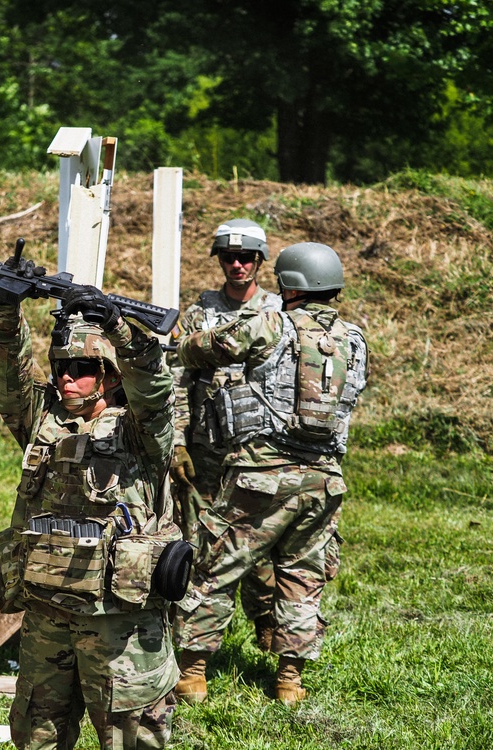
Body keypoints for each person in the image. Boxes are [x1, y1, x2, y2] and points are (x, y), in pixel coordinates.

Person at [0, 272, 185, 749]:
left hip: (118, 622)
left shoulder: (141, 432)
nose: (67, 377)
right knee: (36, 734)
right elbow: (7, 379)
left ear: (111, 376)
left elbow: (154, 389)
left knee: (132, 738)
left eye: (81, 367)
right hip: (48, 613)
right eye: (61, 367)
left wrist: (120, 327)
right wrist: (5, 315)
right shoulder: (44, 421)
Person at [171, 242, 369, 705]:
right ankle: (289, 684)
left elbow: (212, 347)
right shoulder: (354, 338)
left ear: (288, 284)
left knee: (213, 568)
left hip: (262, 473)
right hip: (324, 480)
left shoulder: (272, 322)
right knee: (302, 579)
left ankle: (193, 676)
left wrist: (183, 345)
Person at [169, 218, 282, 672]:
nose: (237, 265)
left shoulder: (278, 311)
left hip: (263, 449)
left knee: (263, 543)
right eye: (228, 258)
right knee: (203, 543)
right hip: (209, 451)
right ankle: (195, 642)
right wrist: (178, 442)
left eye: (246, 258)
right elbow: (178, 379)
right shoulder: (200, 314)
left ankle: (269, 624)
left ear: (260, 262)